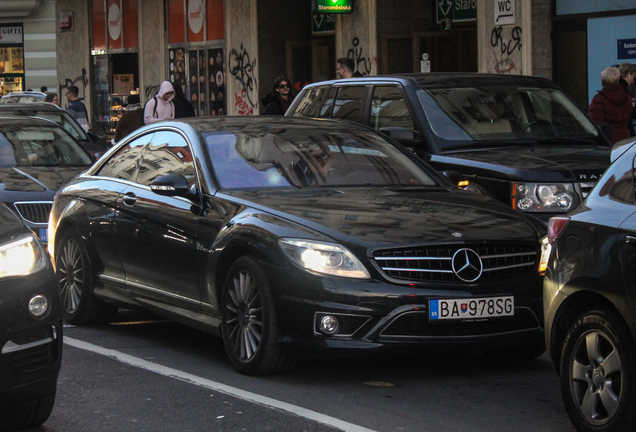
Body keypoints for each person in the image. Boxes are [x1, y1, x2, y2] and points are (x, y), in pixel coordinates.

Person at [588, 67, 633, 144]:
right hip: (625, 140)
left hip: (607, 141)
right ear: (618, 80)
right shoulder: (627, 97)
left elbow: (594, 123)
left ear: (602, 82)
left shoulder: (598, 99)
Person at [618, 62, 636, 136]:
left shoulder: (614, 87)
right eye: (633, 78)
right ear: (628, 74)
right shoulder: (623, 91)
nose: (633, 81)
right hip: (623, 131)